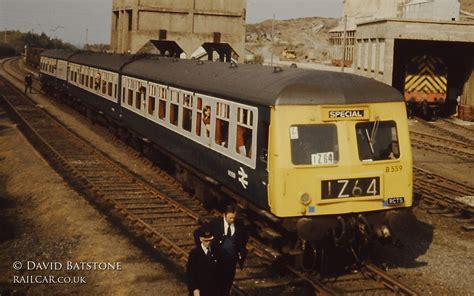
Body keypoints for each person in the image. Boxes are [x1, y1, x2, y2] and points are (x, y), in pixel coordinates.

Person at [209, 203, 249, 296]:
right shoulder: (215, 223)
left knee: (227, 283)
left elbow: (245, 237)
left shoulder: (239, 224)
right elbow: (199, 233)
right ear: (224, 215)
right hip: (217, 259)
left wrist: (241, 251)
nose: (232, 220)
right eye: (230, 218)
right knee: (216, 282)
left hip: (231, 260)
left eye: (233, 218)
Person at [186, 226, 219, 296]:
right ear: (201, 239)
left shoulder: (215, 251)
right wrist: (194, 288)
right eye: (206, 241)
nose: (208, 243)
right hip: (199, 290)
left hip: (213, 290)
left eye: (210, 240)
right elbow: (190, 273)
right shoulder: (195, 253)